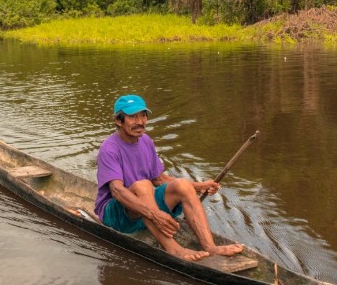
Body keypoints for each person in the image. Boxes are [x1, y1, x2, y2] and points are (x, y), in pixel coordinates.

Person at [94, 94, 243, 261]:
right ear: (119, 121)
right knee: (143, 186)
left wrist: (198, 186)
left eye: (143, 115)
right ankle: (174, 249)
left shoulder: (146, 141)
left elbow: (158, 178)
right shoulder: (109, 149)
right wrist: (153, 214)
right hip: (117, 215)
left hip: (145, 207)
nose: (140, 121)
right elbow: (117, 191)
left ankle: (210, 247)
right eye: (132, 117)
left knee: (182, 184)